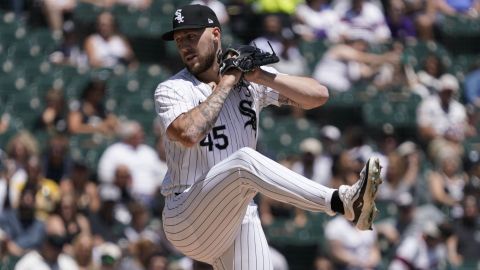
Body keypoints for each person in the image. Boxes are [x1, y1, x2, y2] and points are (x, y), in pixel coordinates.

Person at [154, 4, 383, 269]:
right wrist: (227, 81)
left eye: (191, 36)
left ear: (215, 34)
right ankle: (341, 201)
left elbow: (318, 95)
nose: (184, 45)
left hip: (236, 217)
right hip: (186, 213)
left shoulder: (250, 82)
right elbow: (189, 133)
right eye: (179, 40)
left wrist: (260, 75)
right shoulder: (171, 89)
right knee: (244, 162)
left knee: (244, 177)